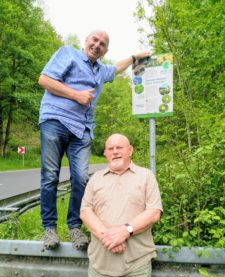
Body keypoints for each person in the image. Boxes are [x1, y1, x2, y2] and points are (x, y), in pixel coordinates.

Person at [38, 30, 150, 251]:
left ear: (105, 51)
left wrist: (135, 57)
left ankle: (74, 227)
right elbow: (44, 80)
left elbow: (117, 68)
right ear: (86, 40)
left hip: (82, 130)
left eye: (103, 44)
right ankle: (49, 228)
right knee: (50, 176)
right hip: (55, 120)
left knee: (81, 179)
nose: (97, 45)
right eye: (94, 40)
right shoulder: (68, 54)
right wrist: (75, 95)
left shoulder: (101, 71)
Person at [80, 133, 163, 277]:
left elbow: (154, 212)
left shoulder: (146, 176)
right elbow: (85, 211)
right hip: (101, 262)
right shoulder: (95, 179)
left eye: (119, 147)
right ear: (105, 153)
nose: (115, 151)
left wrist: (126, 231)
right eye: (110, 148)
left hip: (137, 261)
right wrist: (108, 237)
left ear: (130, 150)